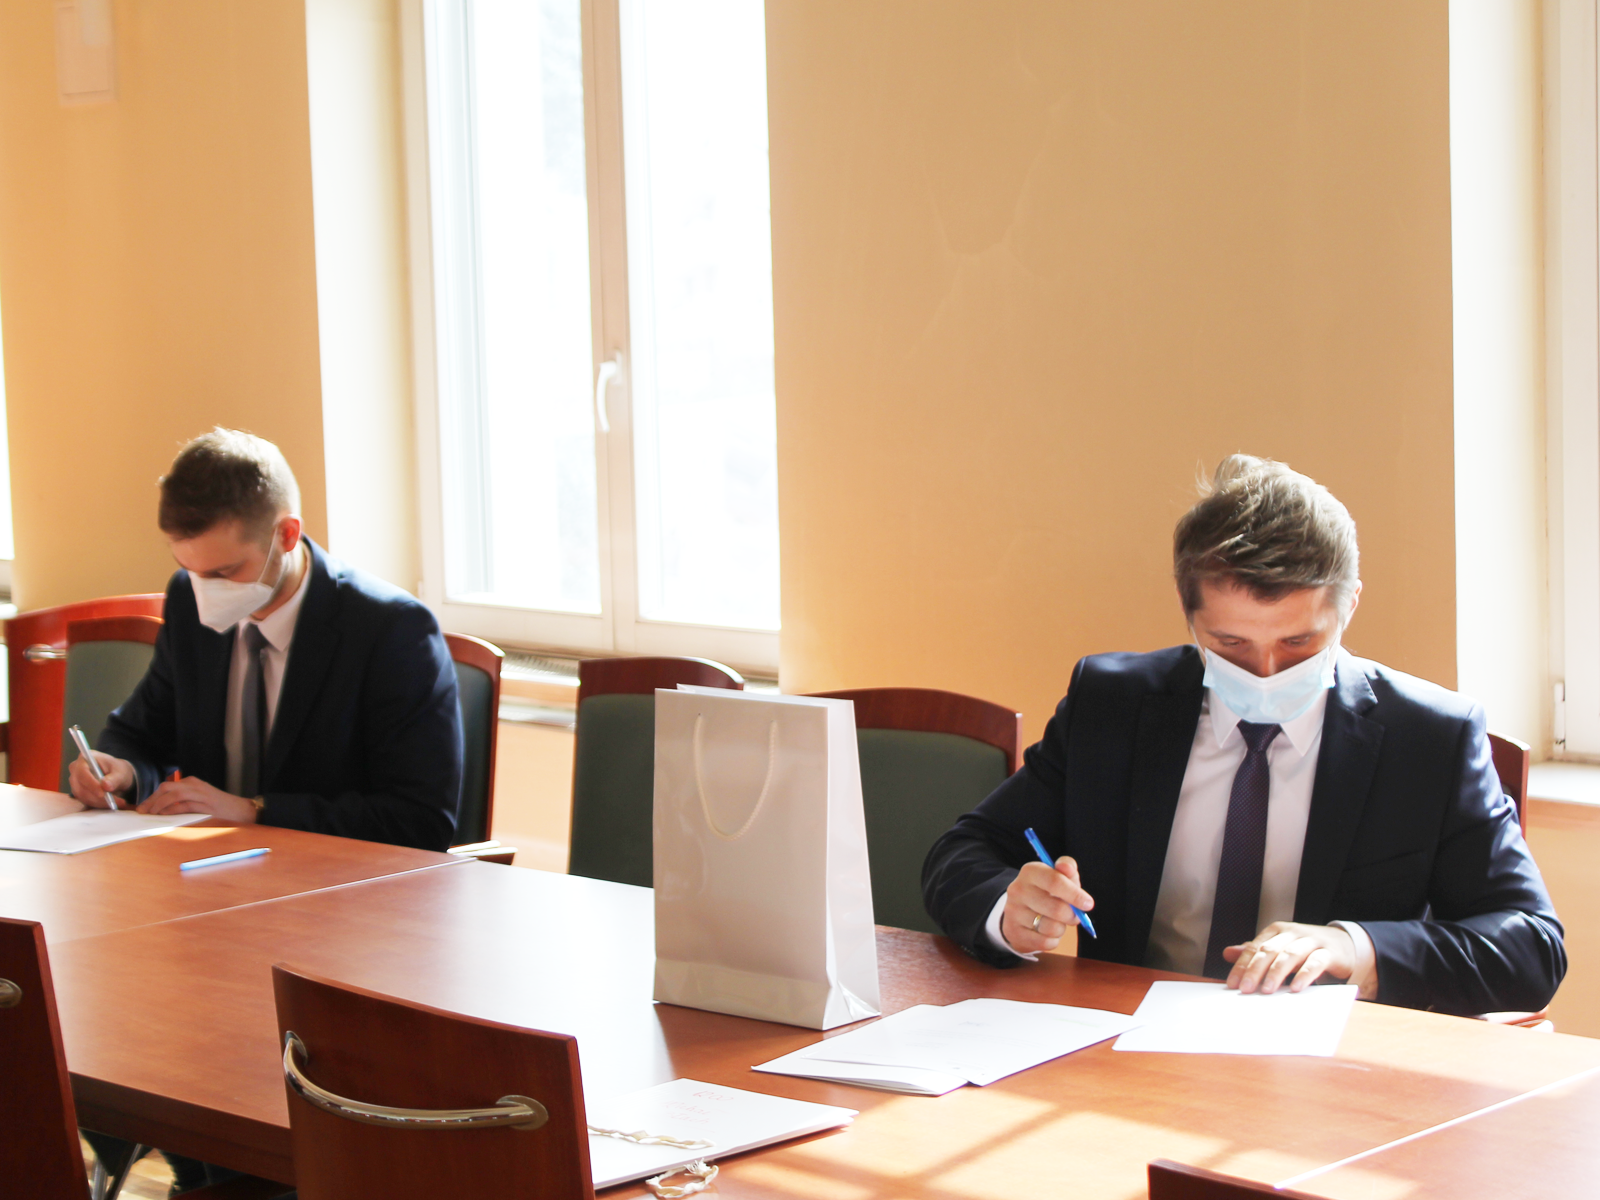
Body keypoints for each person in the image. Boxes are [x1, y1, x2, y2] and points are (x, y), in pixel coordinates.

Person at [922, 455, 1565, 1016]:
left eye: (1298, 643)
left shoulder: (1428, 739)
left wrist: (1355, 947)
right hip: (1124, 1048)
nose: (1265, 672)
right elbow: (964, 851)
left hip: (1334, 1067)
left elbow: (1532, 945)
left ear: (1348, 607)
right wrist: (1006, 908)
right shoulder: (1112, 706)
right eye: (1230, 644)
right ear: (1189, 617)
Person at [68, 428, 463, 852]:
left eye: (225, 572)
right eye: (190, 569)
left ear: (287, 535)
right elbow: (142, 734)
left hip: (337, 876)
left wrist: (255, 811)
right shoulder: (187, 599)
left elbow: (420, 820)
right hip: (207, 866)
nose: (206, 591)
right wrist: (121, 771)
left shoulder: (391, 630)